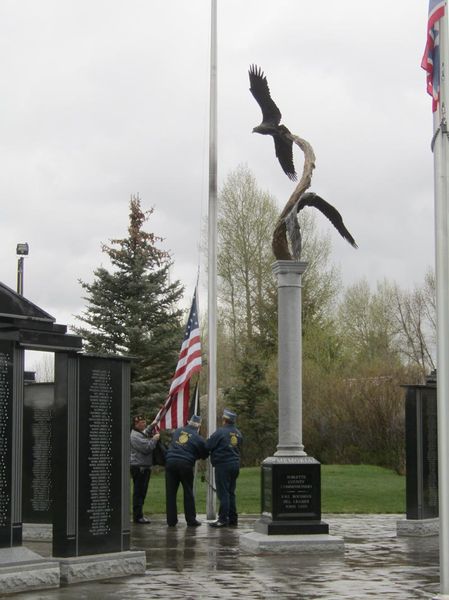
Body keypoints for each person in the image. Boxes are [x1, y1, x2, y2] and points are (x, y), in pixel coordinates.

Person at [165, 414, 209, 527]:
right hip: (185, 465)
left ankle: (171, 521)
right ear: (198, 426)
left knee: (171, 493)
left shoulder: (178, 431)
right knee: (188, 492)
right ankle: (191, 520)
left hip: (170, 462)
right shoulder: (198, 438)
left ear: (189, 422)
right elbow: (204, 454)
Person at [206, 408, 243, 528]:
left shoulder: (220, 432)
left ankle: (222, 519)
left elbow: (208, 446)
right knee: (231, 492)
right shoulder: (238, 433)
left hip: (223, 465)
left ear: (225, 420)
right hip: (235, 464)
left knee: (223, 493)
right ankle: (233, 518)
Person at [130, 415, 160, 524]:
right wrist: (154, 439)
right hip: (139, 468)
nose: (144, 424)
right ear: (136, 424)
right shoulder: (134, 436)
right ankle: (138, 517)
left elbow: (146, 432)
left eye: (144, 421)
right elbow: (147, 448)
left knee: (142, 492)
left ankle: (139, 515)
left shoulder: (139, 433)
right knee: (139, 493)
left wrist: (153, 425)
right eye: (141, 422)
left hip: (143, 468)